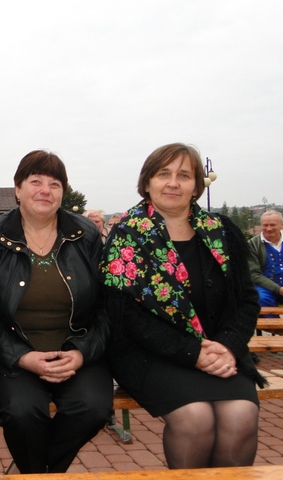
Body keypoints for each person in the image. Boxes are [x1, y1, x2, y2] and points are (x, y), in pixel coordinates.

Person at [101, 143, 264, 469]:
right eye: (164, 174)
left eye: (184, 175)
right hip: (149, 354)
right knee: (195, 418)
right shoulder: (126, 235)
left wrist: (228, 347)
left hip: (220, 350)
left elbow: (246, 299)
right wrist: (192, 353)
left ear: (196, 186)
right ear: (148, 182)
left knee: (241, 415)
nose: (173, 183)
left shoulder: (222, 232)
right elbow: (124, 315)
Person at [0, 150, 112, 473]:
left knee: (93, 409)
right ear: (17, 189)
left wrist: (81, 353)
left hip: (75, 349)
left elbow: (106, 308)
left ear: (63, 192)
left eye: (54, 184)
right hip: (15, 352)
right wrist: (21, 357)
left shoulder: (86, 235)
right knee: (22, 413)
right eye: (35, 181)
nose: (45, 190)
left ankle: (36, 472)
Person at [248, 210, 283, 308]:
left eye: (273, 225)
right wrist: (278, 289)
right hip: (265, 287)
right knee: (261, 298)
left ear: (281, 225)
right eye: (265, 225)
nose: (269, 228)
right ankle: (271, 318)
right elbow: (254, 274)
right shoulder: (253, 244)